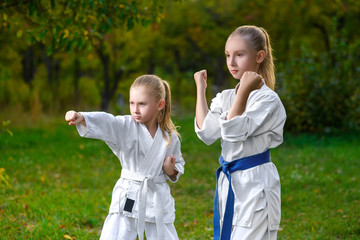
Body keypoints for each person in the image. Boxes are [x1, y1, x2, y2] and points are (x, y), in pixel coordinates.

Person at [194, 25, 286, 240]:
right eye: (227, 55)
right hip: (231, 180)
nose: (231, 62)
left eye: (239, 54)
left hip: (256, 182)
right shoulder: (226, 96)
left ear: (259, 56)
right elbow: (207, 133)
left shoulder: (267, 100)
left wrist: (244, 91)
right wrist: (200, 88)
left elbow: (233, 132)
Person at [65, 74, 185, 240]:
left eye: (142, 104)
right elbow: (108, 122)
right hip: (129, 192)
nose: (135, 109)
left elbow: (177, 167)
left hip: (157, 196)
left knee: (162, 233)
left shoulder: (170, 138)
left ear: (160, 104)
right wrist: (82, 118)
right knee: (117, 233)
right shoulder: (125, 126)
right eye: (131, 103)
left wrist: (170, 170)